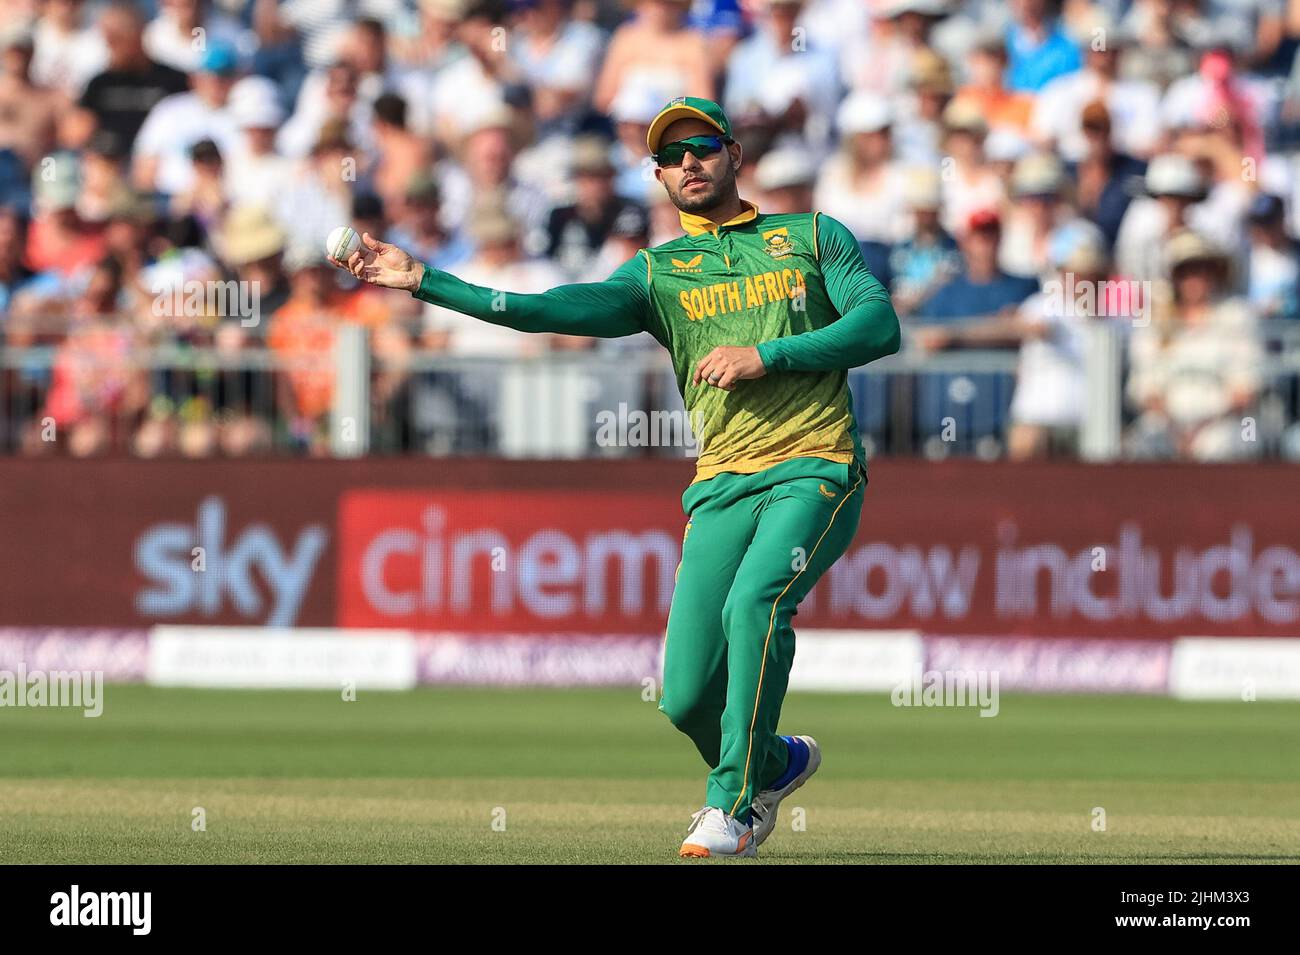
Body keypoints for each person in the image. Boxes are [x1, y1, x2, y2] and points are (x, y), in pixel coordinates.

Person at [331, 96, 900, 858]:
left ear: (734, 154)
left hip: (816, 465)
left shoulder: (810, 234)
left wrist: (770, 355)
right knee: (685, 697)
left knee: (756, 604)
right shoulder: (659, 273)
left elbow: (879, 324)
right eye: (670, 156)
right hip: (723, 481)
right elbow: (537, 310)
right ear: (658, 176)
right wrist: (424, 279)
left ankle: (732, 805)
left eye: (700, 146)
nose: (687, 163)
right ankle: (776, 762)